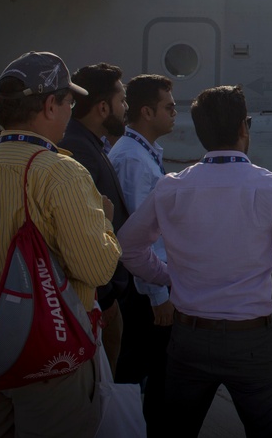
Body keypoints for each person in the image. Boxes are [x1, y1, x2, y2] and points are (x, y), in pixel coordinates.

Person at [117, 85, 272, 438]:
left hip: (187, 339)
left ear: (200, 133)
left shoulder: (171, 188)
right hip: (253, 342)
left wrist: (170, 277)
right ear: (245, 127)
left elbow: (128, 248)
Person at [0, 51, 121, 436]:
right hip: (48, 355)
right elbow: (97, 268)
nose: (72, 111)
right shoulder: (62, 173)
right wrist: (104, 220)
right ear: (50, 105)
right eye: (70, 102)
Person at [108, 74, 176, 434]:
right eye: (169, 106)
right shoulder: (133, 160)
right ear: (147, 112)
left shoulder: (139, 153)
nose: (175, 112)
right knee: (141, 376)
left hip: (145, 284)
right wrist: (159, 295)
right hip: (143, 291)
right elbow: (136, 238)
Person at [60, 62, 132, 376]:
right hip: (97, 295)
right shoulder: (79, 149)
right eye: (123, 101)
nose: (127, 108)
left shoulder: (91, 143)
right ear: (103, 107)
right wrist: (104, 298)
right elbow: (78, 231)